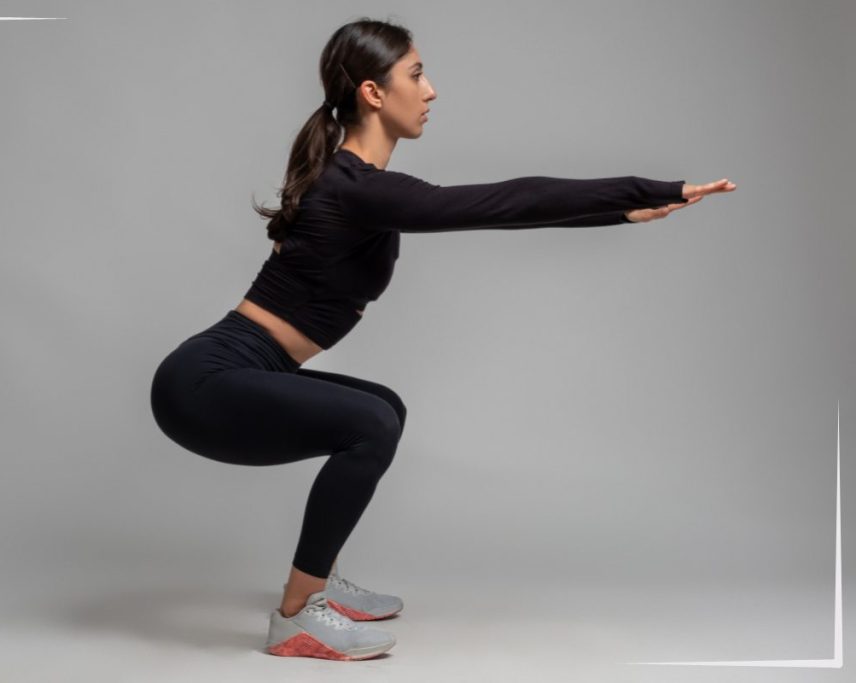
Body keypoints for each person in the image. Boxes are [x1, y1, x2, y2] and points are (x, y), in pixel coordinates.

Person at [149, 17, 736, 661]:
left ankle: (320, 583)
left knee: (385, 409)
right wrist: (645, 190)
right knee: (371, 422)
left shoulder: (359, 187)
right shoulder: (356, 190)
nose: (431, 91)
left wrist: (620, 210)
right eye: (417, 74)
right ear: (375, 93)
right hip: (203, 386)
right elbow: (509, 202)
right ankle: (297, 616)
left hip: (228, 374)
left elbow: (509, 209)